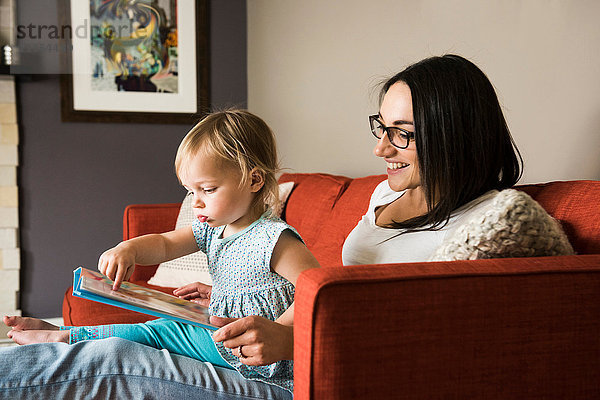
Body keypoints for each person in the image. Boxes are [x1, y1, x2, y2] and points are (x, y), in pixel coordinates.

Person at [0, 55, 573, 399]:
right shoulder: (383, 198)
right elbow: (332, 295)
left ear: (451, 134)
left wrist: (287, 336)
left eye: (401, 132)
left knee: (107, 363)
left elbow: (414, 335)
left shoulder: (493, 225)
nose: (379, 147)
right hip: (256, 346)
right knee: (119, 344)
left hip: (293, 379)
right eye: (381, 124)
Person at [3, 110, 320, 397]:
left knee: (158, 333)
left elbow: (315, 290)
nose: (196, 202)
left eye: (207, 189)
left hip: (256, 357)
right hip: (222, 331)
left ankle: (67, 338)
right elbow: (166, 243)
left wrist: (278, 330)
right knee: (157, 327)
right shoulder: (214, 229)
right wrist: (129, 248)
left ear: (253, 180)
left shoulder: (272, 239)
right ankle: (66, 334)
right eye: (190, 191)